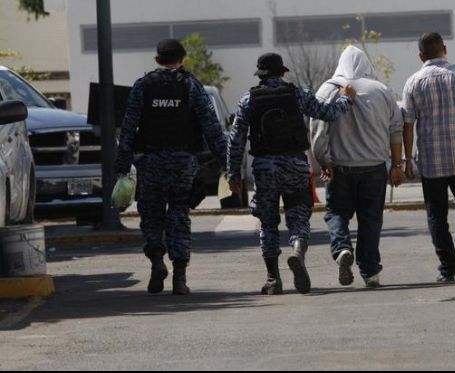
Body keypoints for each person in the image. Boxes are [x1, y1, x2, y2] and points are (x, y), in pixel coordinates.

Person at [227, 52, 356, 295]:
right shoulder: (296, 93)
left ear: (261, 74)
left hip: (265, 168)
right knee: (298, 216)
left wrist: (233, 173)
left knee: (267, 223)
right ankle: (297, 250)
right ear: (282, 72)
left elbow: (236, 140)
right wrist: (346, 100)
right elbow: (325, 113)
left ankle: (273, 279)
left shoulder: (248, 99)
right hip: (295, 165)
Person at [116, 39, 228, 295]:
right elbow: (211, 126)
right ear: (183, 59)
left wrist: (122, 166)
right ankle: (179, 277)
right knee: (179, 215)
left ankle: (156, 261)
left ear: (157, 60)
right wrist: (226, 162)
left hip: (150, 162)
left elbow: (128, 129)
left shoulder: (142, 86)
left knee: (152, 215)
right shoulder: (191, 85)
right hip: (182, 163)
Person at [310, 46, 405, 289]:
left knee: (337, 213)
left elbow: (318, 132)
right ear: (367, 65)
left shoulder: (327, 89)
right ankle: (370, 272)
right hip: (374, 167)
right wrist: (397, 164)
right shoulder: (381, 90)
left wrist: (324, 160)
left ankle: (342, 248)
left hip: (339, 167)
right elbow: (396, 129)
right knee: (371, 219)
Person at [402, 32, 455, 283]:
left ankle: (447, 266)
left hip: (431, 162)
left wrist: (406, 160)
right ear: (444, 49)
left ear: (421, 55)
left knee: (436, 214)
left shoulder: (413, 82)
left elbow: (408, 124)